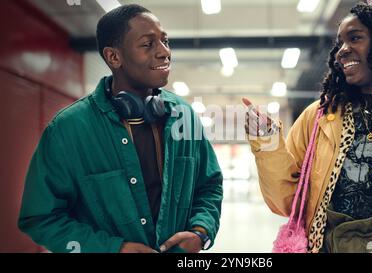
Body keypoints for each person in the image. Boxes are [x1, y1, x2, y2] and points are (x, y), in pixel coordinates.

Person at [244, 2, 372, 253]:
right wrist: (266, 141)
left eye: (355, 38)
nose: (342, 51)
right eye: (340, 42)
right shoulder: (319, 117)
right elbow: (285, 200)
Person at [18, 4, 223, 253]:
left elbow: (209, 185)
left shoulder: (183, 115)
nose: (164, 52)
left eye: (165, 41)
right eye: (148, 44)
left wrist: (201, 231)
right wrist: (114, 249)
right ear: (114, 57)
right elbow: (41, 218)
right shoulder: (67, 129)